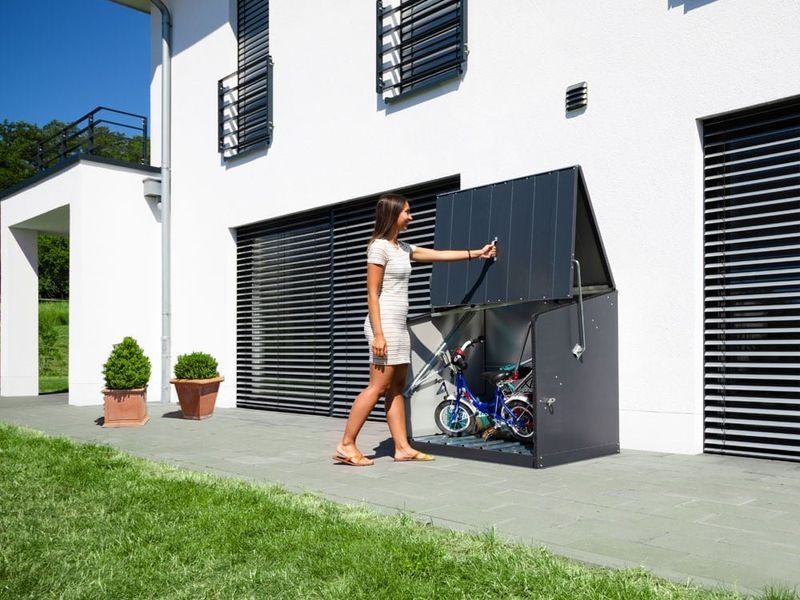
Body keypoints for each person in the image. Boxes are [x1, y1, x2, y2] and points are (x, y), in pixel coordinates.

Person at [333, 193, 497, 466]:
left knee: (397, 387)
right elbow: (372, 293)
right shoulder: (379, 248)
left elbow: (439, 255)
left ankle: (402, 448)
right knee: (377, 387)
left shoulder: (403, 248)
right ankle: (346, 444)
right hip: (383, 324)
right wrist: (379, 334)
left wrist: (477, 254)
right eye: (407, 212)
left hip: (398, 326)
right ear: (393, 215)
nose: (411, 216)